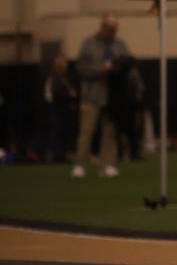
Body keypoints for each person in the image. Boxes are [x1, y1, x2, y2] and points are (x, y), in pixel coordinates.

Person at [71, 14, 134, 178]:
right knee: (86, 132)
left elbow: (128, 64)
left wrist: (119, 67)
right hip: (92, 96)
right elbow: (81, 68)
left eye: (115, 30)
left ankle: (108, 164)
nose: (112, 33)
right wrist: (101, 69)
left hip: (113, 97)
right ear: (102, 27)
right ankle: (79, 165)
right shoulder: (88, 44)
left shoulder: (120, 45)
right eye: (110, 29)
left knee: (110, 132)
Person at [43, 54, 77, 163]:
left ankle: (62, 153)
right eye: (64, 65)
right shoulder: (55, 78)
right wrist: (69, 95)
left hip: (63, 109)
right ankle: (57, 154)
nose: (66, 67)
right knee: (57, 131)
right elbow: (55, 94)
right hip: (57, 109)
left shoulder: (63, 78)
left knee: (63, 132)